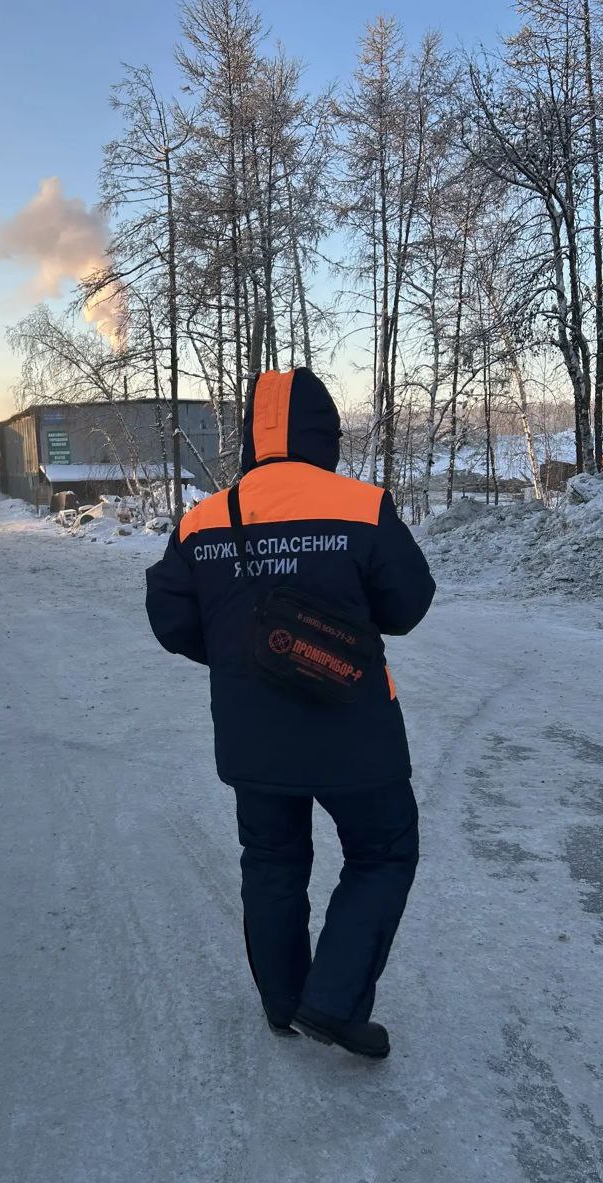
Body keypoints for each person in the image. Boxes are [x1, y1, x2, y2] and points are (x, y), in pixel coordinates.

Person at [145, 368, 435, 1059]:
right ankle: (332, 1001)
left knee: (271, 860)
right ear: (323, 432)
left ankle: (283, 1005)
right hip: (354, 729)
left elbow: (170, 618)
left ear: (253, 435)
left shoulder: (203, 519)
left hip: (253, 733)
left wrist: (239, 658)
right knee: (383, 851)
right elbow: (407, 605)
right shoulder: (362, 506)